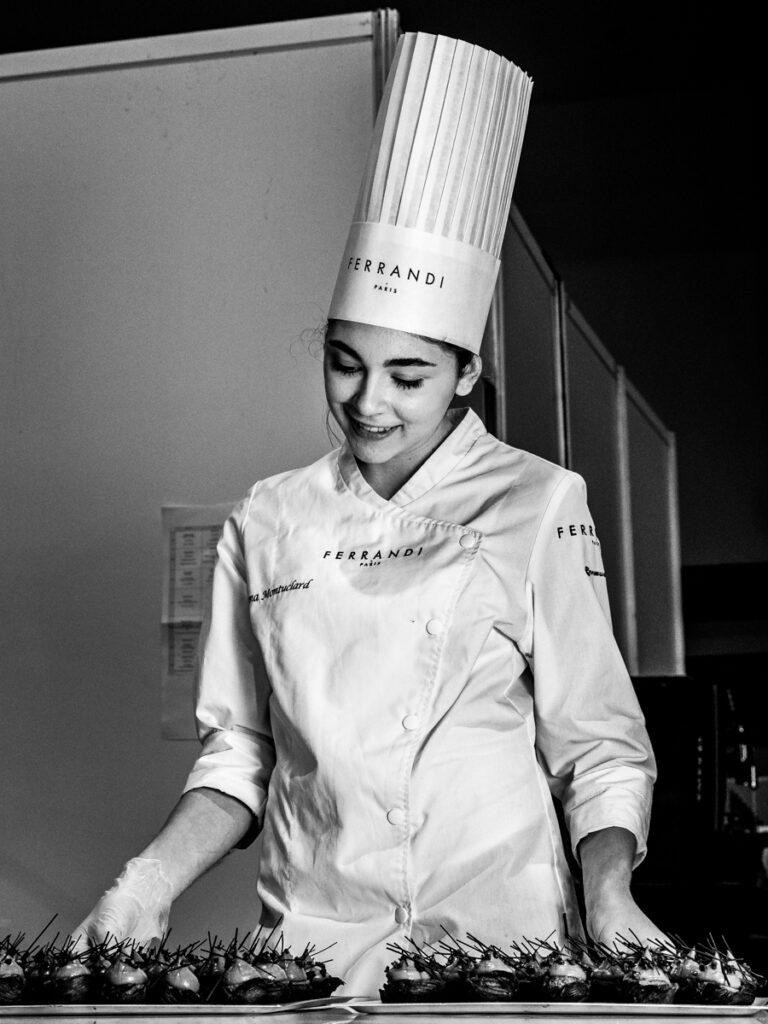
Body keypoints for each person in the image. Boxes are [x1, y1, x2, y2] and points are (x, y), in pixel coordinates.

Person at [74, 31, 667, 996]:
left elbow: (596, 746)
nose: (367, 403)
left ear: (467, 374)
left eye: (409, 376)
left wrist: (609, 896)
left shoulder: (539, 501)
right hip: (307, 951)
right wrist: (148, 882)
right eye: (344, 363)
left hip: (499, 947)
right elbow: (241, 752)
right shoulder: (269, 520)